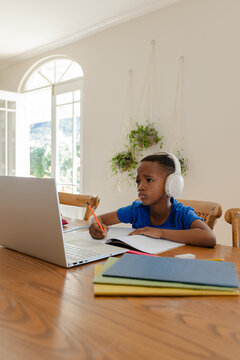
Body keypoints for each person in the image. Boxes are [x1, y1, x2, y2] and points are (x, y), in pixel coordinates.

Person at [89, 152, 216, 248]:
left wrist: (159, 232)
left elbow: (209, 238)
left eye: (149, 180)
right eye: (138, 182)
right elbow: (98, 218)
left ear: (171, 184)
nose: (140, 187)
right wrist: (95, 226)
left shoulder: (181, 213)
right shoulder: (136, 210)